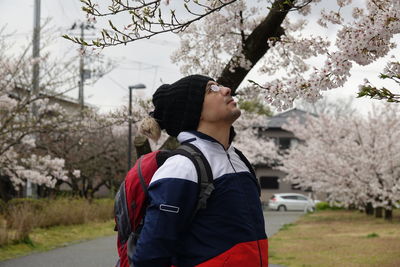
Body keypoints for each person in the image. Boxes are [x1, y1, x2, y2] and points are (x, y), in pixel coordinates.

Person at [134, 75, 268, 267]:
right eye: (211, 89)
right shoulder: (182, 167)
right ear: (195, 111)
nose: (226, 90)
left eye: (220, 85)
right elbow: (150, 256)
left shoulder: (239, 159)